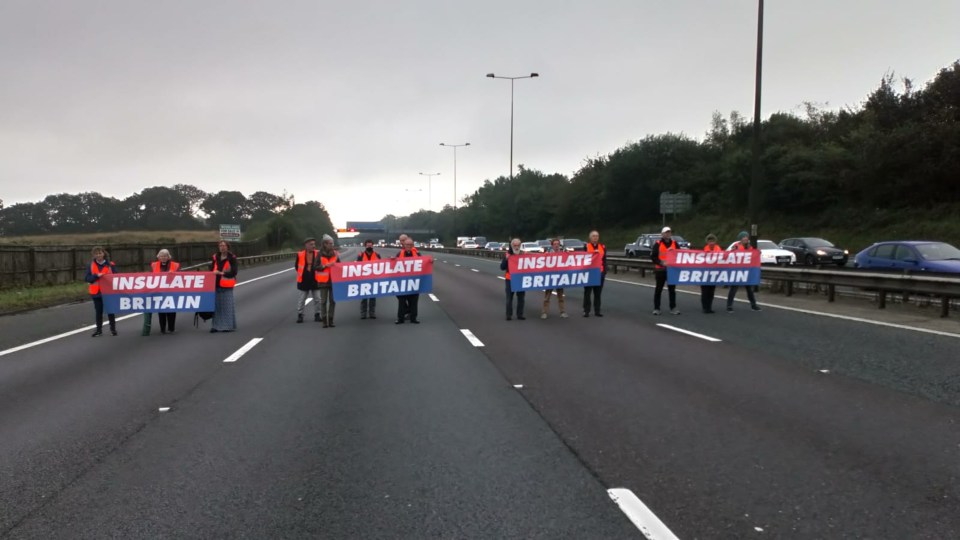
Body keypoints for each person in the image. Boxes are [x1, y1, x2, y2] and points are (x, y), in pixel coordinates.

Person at [727, 231, 762, 313]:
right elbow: (730, 256)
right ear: (741, 239)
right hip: (737, 271)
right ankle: (729, 306)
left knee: (749, 289)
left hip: (747, 271)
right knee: (734, 289)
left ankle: (753, 305)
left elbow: (753, 255)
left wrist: (757, 253)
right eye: (744, 237)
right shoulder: (736, 247)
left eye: (746, 237)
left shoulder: (750, 247)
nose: (746, 238)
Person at [85, 246, 117, 337]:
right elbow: (87, 278)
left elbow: (117, 277)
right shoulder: (90, 266)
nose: (98, 255)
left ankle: (113, 329)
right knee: (98, 312)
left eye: (100, 253)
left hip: (108, 292)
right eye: (96, 254)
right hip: (96, 292)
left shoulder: (111, 265)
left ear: (103, 254)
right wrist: (96, 276)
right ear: (93, 255)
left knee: (110, 311)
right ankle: (99, 330)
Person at [150, 249, 181, 334]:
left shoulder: (175, 265)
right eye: (161, 256)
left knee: (171, 310)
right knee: (161, 311)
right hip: (159, 291)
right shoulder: (154, 265)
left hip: (171, 291)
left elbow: (180, 277)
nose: (163, 257)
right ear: (158, 257)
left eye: (165, 256)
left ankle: (171, 328)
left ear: (168, 257)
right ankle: (162, 328)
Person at [210, 240, 238, 332]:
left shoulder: (232, 258)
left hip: (227, 284)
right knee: (216, 306)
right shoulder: (215, 257)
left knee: (227, 306)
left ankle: (227, 326)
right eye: (220, 245)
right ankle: (215, 326)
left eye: (224, 245)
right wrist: (212, 272)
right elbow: (211, 268)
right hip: (215, 284)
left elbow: (234, 272)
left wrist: (221, 273)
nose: (222, 247)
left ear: (227, 247)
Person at [652, 226, 679, 315]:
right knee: (658, 290)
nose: (668, 234)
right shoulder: (658, 243)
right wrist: (661, 263)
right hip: (660, 270)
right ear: (662, 234)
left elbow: (680, 255)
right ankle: (656, 308)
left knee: (672, 290)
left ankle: (673, 307)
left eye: (669, 232)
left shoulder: (675, 243)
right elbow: (653, 257)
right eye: (666, 232)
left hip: (671, 270)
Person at [295, 237, 322, 323]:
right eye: (311, 244)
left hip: (315, 279)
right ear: (306, 245)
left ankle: (317, 315)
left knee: (318, 299)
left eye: (314, 244)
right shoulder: (300, 254)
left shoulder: (318, 253)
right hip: (304, 280)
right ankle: (300, 315)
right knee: (302, 299)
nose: (313, 246)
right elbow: (297, 266)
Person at [317, 234, 341, 328]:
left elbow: (340, 266)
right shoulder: (319, 254)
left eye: (332, 243)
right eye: (330, 243)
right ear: (325, 244)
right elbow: (316, 267)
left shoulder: (335, 254)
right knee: (323, 302)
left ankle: (330, 320)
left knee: (332, 301)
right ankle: (324, 321)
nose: (332, 245)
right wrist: (325, 266)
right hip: (323, 282)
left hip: (334, 281)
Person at [395, 238, 420, 324]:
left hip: (414, 282)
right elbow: (394, 264)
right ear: (404, 245)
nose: (408, 246)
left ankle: (413, 318)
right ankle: (400, 318)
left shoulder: (417, 254)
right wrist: (392, 260)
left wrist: (429, 261)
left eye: (410, 245)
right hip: (402, 282)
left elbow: (423, 263)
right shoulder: (399, 253)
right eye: (407, 245)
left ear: (412, 245)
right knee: (401, 301)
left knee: (414, 301)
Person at [500, 238, 526, 320]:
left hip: (520, 279)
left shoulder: (523, 254)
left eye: (518, 245)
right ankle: (508, 315)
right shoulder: (508, 254)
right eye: (515, 245)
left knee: (521, 298)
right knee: (509, 298)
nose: (516, 247)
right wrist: (506, 259)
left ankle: (520, 314)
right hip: (510, 279)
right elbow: (502, 267)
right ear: (512, 246)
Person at [583, 230, 607, 317]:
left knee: (598, 293)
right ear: (590, 237)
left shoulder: (602, 247)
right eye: (593, 236)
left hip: (599, 272)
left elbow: (604, 260)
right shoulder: (586, 247)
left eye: (597, 236)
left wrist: (604, 272)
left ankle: (597, 311)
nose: (595, 237)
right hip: (589, 273)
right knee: (587, 293)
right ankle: (586, 311)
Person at [541, 238, 567, 319]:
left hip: (559, 278)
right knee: (547, 297)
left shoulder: (563, 253)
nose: (556, 245)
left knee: (560, 296)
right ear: (552, 245)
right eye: (555, 244)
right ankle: (544, 312)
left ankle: (562, 312)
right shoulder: (548, 253)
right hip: (550, 278)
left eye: (557, 244)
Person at [357, 239, 381, 319]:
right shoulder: (361, 255)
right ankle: (363, 313)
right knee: (364, 298)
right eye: (368, 245)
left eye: (370, 245)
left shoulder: (377, 255)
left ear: (372, 245)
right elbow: (357, 267)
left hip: (374, 279)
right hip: (364, 279)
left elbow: (382, 266)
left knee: (373, 297)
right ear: (365, 246)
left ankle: (372, 313)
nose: (369, 246)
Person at [700, 234, 721, 314]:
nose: (711, 243)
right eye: (710, 241)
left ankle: (709, 307)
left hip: (714, 273)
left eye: (713, 241)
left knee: (711, 292)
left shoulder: (718, 249)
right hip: (705, 273)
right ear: (707, 242)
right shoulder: (704, 249)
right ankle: (705, 307)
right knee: (705, 291)